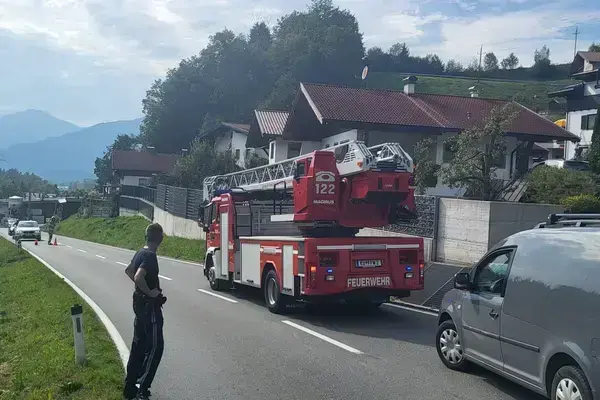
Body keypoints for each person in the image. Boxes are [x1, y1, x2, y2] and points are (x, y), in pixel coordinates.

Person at [123, 223, 166, 400]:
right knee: (155, 347)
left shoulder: (140, 252)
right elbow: (138, 276)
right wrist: (150, 292)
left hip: (139, 304)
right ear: (160, 238)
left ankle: (130, 386)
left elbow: (128, 271)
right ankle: (143, 387)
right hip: (149, 307)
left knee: (138, 345)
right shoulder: (149, 256)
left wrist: (141, 289)